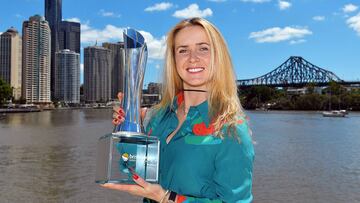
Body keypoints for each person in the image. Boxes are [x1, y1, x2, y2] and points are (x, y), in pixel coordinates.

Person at [101, 17, 255, 203]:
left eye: (203, 48)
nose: (193, 58)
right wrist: (128, 130)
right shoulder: (158, 117)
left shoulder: (231, 130)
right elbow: (140, 171)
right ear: (173, 60)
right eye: (183, 50)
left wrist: (165, 198)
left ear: (218, 56)